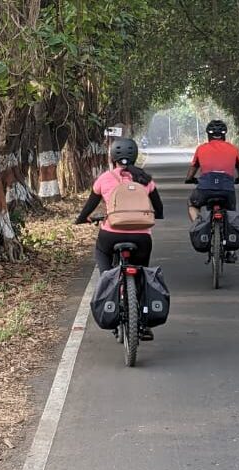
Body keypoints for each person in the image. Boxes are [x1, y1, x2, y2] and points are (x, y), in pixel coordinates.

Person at [75, 138, 163, 339]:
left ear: (112, 157)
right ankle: (142, 322)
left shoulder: (104, 179)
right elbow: (159, 208)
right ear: (135, 156)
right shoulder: (145, 179)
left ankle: (110, 284)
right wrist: (153, 215)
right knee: (140, 273)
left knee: (103, 258)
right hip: (142, 238)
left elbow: (89, 206)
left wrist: (81, 219)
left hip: (111, 235)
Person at [185, 120, 239, 262]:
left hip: (205, 188)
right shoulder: (233, 148)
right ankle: (230, 251)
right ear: (224, 135)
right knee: (231, 212)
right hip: (227, 189)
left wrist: (189, 179)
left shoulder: (201, 148)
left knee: (192, 204)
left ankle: (199, 225)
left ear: (209, 135)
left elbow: (193, 169)